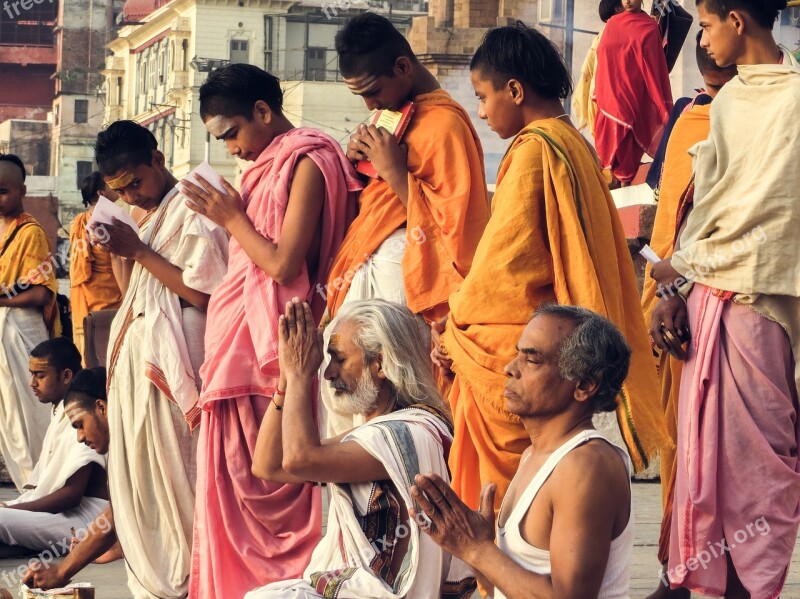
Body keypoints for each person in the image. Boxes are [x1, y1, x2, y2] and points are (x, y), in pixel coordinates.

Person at [432, 23, 668, 513]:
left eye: (482, 96)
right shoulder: (575, 143)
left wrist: (454, 320)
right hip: (561, 349)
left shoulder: (535, 150)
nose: (480, 111)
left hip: (520, 349)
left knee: (498, 507)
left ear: (514, 90)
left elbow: (503, 271)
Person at [179, 63, 360, 599]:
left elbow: (283, 266)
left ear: (263, 111)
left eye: (232, 133)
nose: (231, 149)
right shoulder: (259, 169)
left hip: (274, 346)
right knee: (228, 483)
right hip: (234, 342)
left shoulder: (308, 157)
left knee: (272, 480)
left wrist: (233, 218)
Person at [650, 1, 800, 596]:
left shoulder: (794, 99)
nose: (703, 40)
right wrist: (679, 281)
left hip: (762, 304)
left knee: (758, 467)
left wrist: (683, 269)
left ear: (737, 20)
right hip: (708, 295)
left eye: (708, 26)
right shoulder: (733, 99)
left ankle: (747, 586)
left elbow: (778, 217)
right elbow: (710, 207)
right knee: (706, 462)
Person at [322, 13, 490, 433]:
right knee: (355, 404)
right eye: (360, 97)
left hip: (407, 284)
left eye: (373, 92)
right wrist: (361, 165)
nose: (370, 107)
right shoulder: (394, 117)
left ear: (402, 66)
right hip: (366, 274)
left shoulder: (445, 124)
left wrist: (395, 171)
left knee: (399, 397)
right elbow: (372, 208)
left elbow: (459, 227)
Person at [245, 298, 475, 599]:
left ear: (379, 363)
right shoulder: (379, 435)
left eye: (339, 359)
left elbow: (300, 459)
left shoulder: (410, 432)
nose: (327, 374)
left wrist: (302, 374)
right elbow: (268, 466)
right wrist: (287, 380)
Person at [92, 120, 229, 598]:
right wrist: (119, 252)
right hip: (139, 374)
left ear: (157, 158)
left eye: (135, 183)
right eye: (119, 191)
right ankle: (159, 586)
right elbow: (135, 295)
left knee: (181, 485)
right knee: (144, 486)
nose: (131, 197)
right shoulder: (145, 218)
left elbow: (205, 294)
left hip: (179, 368)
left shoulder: (198, 204)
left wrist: (140, 250)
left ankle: (197, 581)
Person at [414, 305, 634, 598]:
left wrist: (477, 549)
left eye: (532, 360)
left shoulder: (586, 465)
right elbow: (505, 590)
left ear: (583, 385)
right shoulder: (534, 455)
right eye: (517, 354)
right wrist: (476, 548)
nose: (510, 368)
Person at [641, 32, 736, 599]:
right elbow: (670, 208)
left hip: (740, 304)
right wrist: (666, 288)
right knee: (684, 446)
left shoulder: (766, 115)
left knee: (728, 451)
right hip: (677, 300)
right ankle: (677, 567)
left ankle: (721, 572)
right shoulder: (688, 115)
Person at [0, 339, 106, 558]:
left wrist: (11, 510)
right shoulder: (60, 411)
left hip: (90, 518)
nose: (32, 383)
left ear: (66, 375)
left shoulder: (81, 412)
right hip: (67, 515)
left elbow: (71, 496)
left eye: (40, 375)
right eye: (32, 374)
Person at [22, 367, 121, 590]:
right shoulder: (121, 446)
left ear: (102, 407)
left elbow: (115, 514)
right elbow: (119, 510)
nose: (80, 437)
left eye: (79, 425)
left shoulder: (138, 442)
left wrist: (61, 571)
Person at [0, 153, 59, 490]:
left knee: (31, 413)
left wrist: (2, 298)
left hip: (22, 330)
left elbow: (41, 295)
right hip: (3, 329)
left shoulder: (31, 232)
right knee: (8, 416)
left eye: (4, 191)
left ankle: (42, 487)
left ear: (22, 190)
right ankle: (25, 489)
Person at [594, 0, 673, 187]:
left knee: (627, 160)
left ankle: (624, 200)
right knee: (607, 163)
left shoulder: (650, 27)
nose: (628, 1)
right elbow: (602, 56)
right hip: (609, 95)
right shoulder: (612, 24)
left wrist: (661, 107)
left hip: (633, 96)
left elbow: (655, 70)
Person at [69, 172, 123, 362]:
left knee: (89, 354)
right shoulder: (110, 219)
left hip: (85, 295)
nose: (116, 187)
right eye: (111, 185)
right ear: (101, 193)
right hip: (109, 295)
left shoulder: (78, 221)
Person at [571, 0, 622, 134]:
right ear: (617, 9)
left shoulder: (601, 35)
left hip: (599, 99)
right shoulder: (612, 34)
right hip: (607, 100)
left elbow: (586, 70)